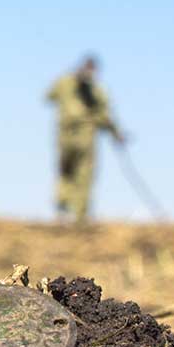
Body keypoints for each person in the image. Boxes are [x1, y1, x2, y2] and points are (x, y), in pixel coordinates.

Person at [45, 55, 124, 223]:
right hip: (69, 135)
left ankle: (77, 214)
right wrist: (115, 133)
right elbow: (49, 96)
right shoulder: (68, 83)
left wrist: (116, 133)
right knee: (69, 172)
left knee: (82, 175)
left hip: (83, 136)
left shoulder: (94, 91)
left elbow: (105, 117)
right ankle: (66, 210)